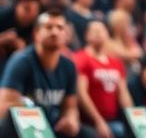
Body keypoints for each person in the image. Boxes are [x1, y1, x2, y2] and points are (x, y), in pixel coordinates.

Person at [0, 9, 95, 137]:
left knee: (88, 134)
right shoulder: (21, 62)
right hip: (26, 125)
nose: (55, 32)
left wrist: (70, 120)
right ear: (36, 34)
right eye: (49, 27)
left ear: (66, 35)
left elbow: (70, 107)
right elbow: (3, 108)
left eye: (60, 28)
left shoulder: (69, 66)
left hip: (52, 123)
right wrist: (27, 105)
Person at [74, 20, 132, 138]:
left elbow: (124, 94)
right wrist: (98, 121)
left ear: (107, 34)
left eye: (101, 30)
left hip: (113, 119)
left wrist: (133, 118)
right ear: (86, 35)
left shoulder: (116, 63)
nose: (98, 33)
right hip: (88, 121)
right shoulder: (81, 58)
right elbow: (82, 94)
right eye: (94, 31)